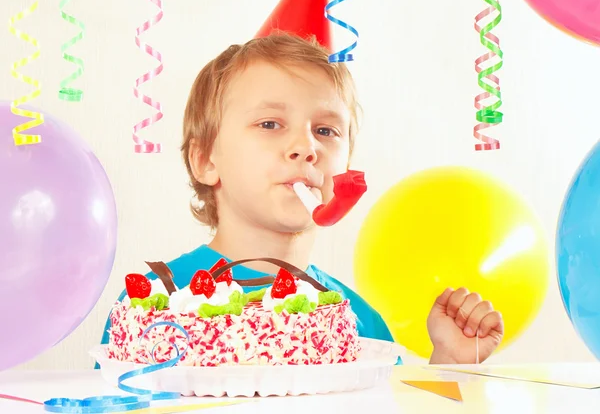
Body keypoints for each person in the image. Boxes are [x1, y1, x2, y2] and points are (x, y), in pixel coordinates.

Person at [101, 33, 503, 364]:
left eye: (326, 130)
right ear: (206, 160)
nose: (305, 147)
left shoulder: (354, 323)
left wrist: (451, 365)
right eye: (270, 123)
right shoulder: (152, 304)